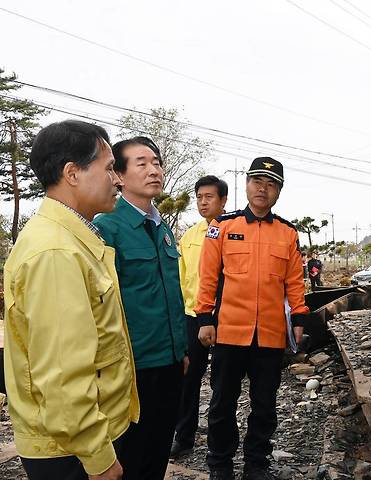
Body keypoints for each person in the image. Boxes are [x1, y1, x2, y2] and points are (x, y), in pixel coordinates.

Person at [3, 120, 139, 480]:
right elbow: (62, 379)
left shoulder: (70, 240)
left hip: (84, 437)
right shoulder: (56, 252)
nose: (118, 180)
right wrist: (98, 457)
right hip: (72, 450)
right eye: (109, 168)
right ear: (72, 173)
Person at [196, 157, 309, 480]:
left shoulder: (287, 233)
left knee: (264, 405)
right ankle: (220, 463)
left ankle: (257, 462)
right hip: (229, 331)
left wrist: (299, 318)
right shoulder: (223, 226)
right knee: (221, 404)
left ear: (279, 192)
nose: (263, 188)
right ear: (246, 185)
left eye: (271, 184)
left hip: (270, 334)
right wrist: (205, 317)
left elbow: (294, 283)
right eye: (257, 181)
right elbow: (208, 277)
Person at [93, 136, 187, 480]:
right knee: (132, 456)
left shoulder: (162, 227)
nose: (154, 171)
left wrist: (181, 349)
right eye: (141, 164)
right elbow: (104, 304)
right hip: (133, 368)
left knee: (159, 449)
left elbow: (172, 294)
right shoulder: (107, 226)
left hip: (171, 362)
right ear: (118, 174)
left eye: (157, 163)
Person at [170, 175, 228, 458]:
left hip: (225, 318)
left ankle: (220, 441)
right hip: (193, 316)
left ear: (223, 201)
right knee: (189, 378)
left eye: (210, 197)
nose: (203, 202)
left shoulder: (233, 231)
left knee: (222, 381)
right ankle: (184, 437)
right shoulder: (189, 236)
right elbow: (181, 278)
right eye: (200, 197)